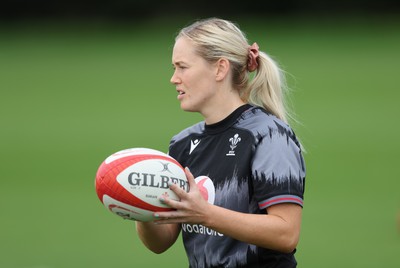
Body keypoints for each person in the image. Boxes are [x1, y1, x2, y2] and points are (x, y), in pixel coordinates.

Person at [136, 17, 306, 268]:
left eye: (182, 67)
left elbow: (286, 233)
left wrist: (205, 214)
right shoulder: (182, 143)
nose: (174, 78)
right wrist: (141, 206)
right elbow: (161, 243)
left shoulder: (268, 134)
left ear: (220, 68)